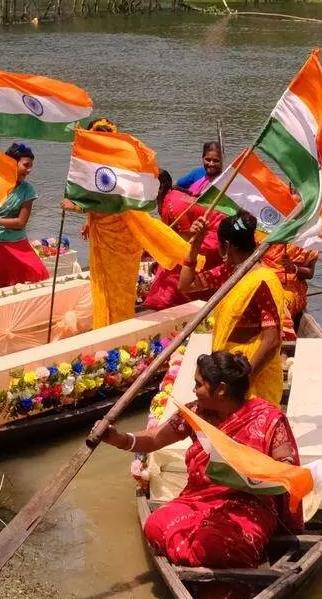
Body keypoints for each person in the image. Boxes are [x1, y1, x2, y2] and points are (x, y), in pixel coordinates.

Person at [99, 352, 303, 568]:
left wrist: (261, 472)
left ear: (221, 390)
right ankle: (204, 556)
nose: (194, 390)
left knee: (217, 543)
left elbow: (286, 465)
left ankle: (207, 557)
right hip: (197, 500)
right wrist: (118, 439)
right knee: (155, 525)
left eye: (198, 384)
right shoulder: (195, 412)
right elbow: (153, 439)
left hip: (248, 505)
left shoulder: (267, 417)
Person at [61, 118, 188, 328]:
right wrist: (87, 218)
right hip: (102, 231)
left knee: (120, 287)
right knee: (103, 285)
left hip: (122, 235)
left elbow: (109, 201)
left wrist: (76, 206)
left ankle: (118, 326)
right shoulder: (94, 162)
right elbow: (97, 196)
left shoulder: (121, 165)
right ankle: (107, 323)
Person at [177, 214, 287, 402]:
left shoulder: (263, 280)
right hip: (225, 365)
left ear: (227, 246)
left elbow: (272, 340)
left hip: (249, 368)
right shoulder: (228, 272)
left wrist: (244, 380)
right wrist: (195, 245)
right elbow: (185, 285)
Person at [142, 170, 221, 311]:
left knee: (176, 264)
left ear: (159, 188)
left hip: (213, 234)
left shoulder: (172, 205)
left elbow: (183, 243)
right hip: (201, 233)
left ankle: (167, 302)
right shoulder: (167, 199)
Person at [0, 143, 49, 287]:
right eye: (26, 165)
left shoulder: (28, 191)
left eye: (31, 166)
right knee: (3, 286)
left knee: (38, 276)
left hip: (18, 243)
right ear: (12, 163)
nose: (29, 170)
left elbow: (21, 222)